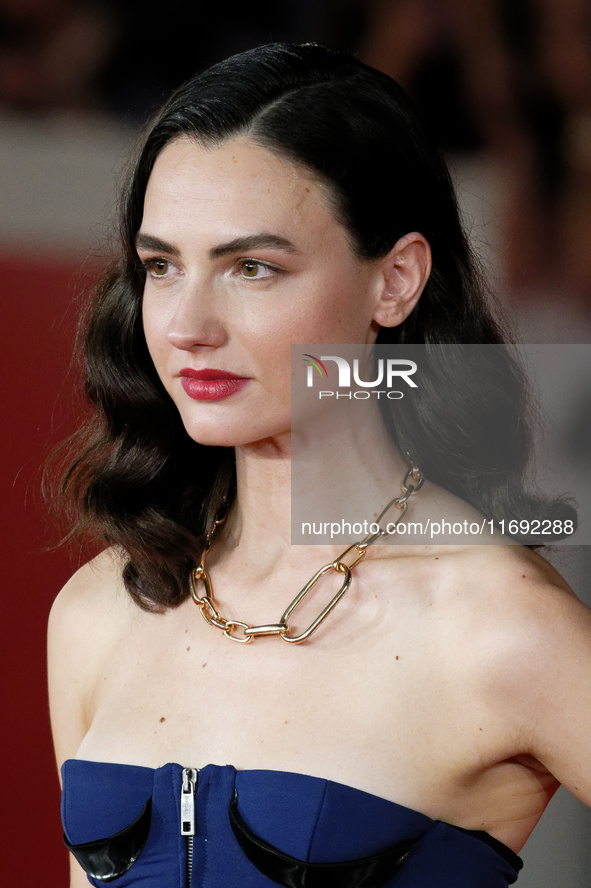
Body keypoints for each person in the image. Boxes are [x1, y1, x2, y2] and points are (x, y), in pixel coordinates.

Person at [47, 42, 591, 888]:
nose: (188, 323)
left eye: (252, 267)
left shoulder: (498, 625)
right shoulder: (102, 610)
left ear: (396, 281)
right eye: (161, 266)